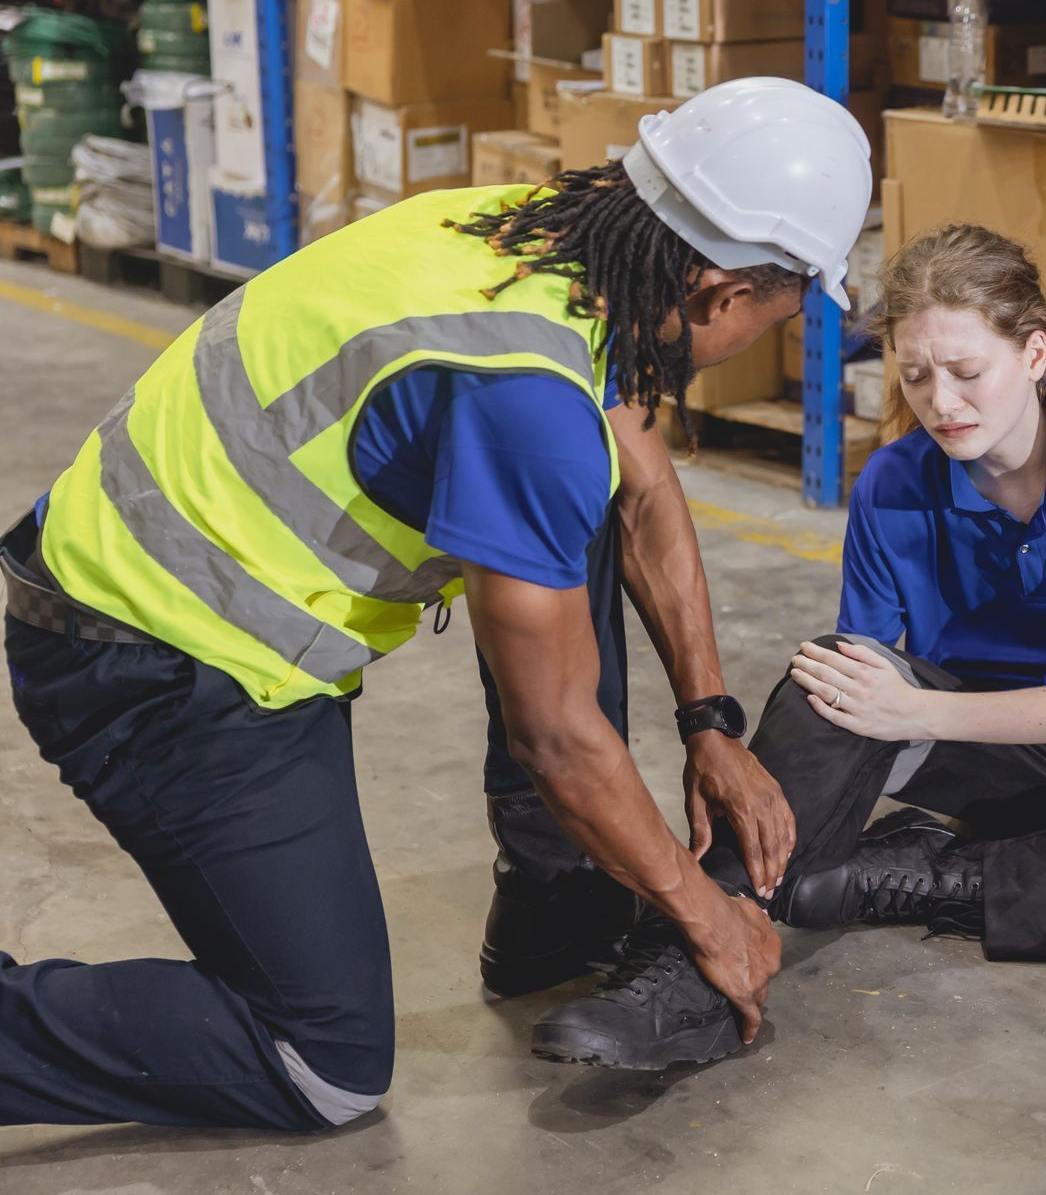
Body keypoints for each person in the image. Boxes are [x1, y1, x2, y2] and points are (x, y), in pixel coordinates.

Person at [0, 78, 870, 1131]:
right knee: (319, 1064)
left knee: (572, 498)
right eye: (781, 316)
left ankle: (554, 903)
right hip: (155, 658)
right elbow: (557, 736)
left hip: (157, 583)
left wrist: (709, 720)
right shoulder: (524, 401)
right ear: (723, 289)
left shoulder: (532, 233)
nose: (768, 338)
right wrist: (707, 915)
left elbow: (640, 492)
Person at [530, 223, 1046, 1070]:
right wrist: (852, 717)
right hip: (997, 759)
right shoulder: (893, 481)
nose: (942, 402)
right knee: (831, 677)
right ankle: (689, 959)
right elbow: (853, 693)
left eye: (967, 372)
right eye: (915, 375)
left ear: (1033, 354)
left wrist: (912, 709)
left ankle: (927, 875)